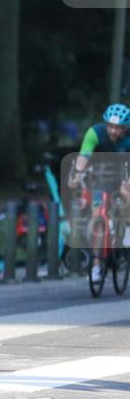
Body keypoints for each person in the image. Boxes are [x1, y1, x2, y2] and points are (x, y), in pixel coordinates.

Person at [69, 102, 130, 280]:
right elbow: (83, 157)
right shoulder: (94, 133)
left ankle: (126, 228)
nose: (113, 131)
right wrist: (76, 175)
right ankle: (97, 264)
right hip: (101, 175)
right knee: (97, 216)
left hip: (124, 171)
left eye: (118, 128)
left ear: (125, 127)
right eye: (110, 126)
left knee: (126, 191)